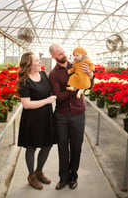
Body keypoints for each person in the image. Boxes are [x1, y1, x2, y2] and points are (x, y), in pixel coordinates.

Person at [49, 44, 94, 190]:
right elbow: (58, 96)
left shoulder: (79, 64)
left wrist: (91, 76)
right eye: (60, 54)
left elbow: (89, 85)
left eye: (64, 52)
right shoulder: (53, 74)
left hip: (78, 112)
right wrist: (74, 90)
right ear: (54, 57)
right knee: (63, 147)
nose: (65, 54)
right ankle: (63, 178)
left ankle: (73, 176)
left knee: (76, 147)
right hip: (61, 115)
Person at [17, 52, 57, 190]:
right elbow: (26, 104)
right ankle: (31, 176)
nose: (40, 63)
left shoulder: (44, 75)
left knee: (47, 145)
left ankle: (39, 171)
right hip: (32, 119)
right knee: (31, 147)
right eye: (37, 61)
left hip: (46, 116)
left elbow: (51, 90)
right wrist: (47, 100)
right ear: (28, 64)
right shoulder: (24, 82)